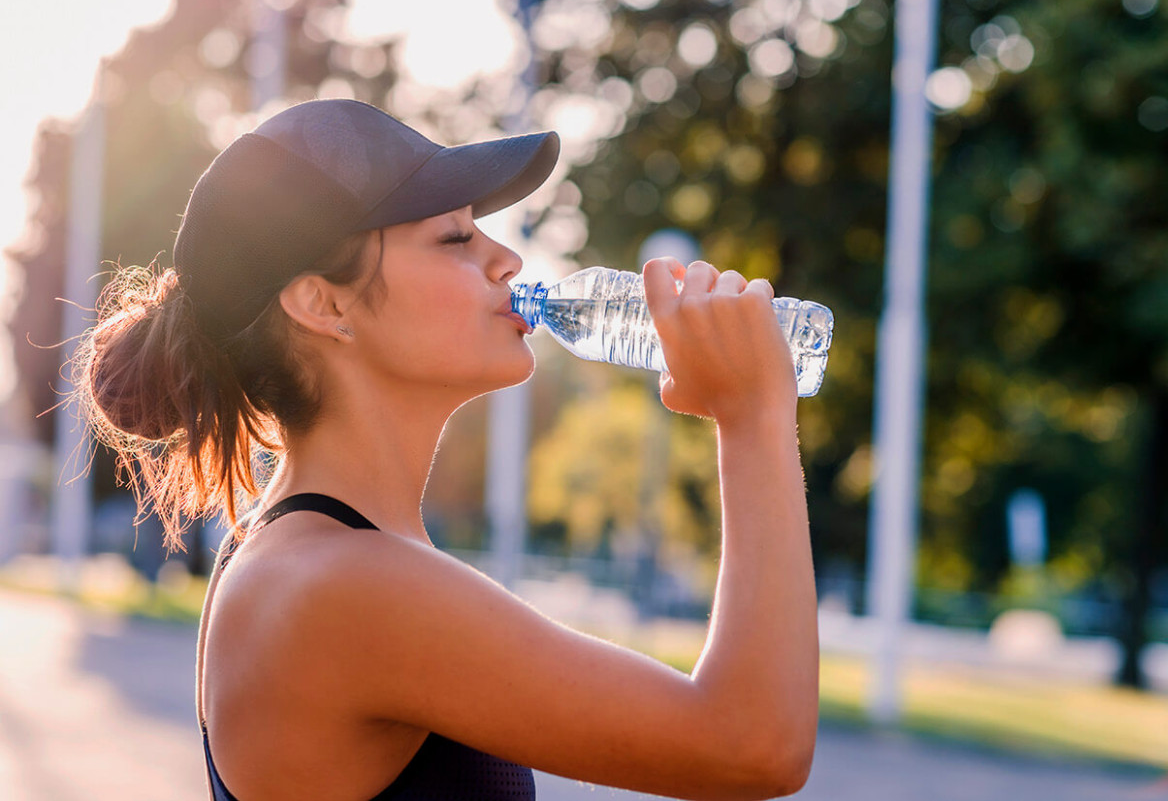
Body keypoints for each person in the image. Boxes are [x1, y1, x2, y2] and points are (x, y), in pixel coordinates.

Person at [76, 98, 817, 801]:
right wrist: (752, 418)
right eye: (457, 238)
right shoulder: (341, 586)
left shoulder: (313, 556)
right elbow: (751, 744)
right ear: (323, 303)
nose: (508, 262)